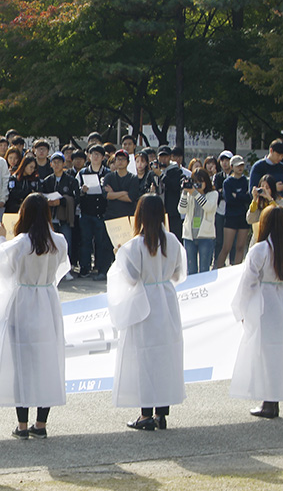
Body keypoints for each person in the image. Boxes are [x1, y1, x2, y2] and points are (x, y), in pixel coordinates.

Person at [0, 193, 70, 440]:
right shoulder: (59, 241)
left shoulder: (19, 243)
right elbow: (62, 268)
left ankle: (22, 425)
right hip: (47, 299)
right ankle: (40, 424)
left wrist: (1, 238)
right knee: (46, 361)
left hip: (22, 301)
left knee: (20, 362)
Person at [107, 194, 187, 431]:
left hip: (144, 303)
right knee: (165, 356)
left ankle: (146, 415)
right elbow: (178, 274)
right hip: (166, 300)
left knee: (144, 357)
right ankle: (162, 413)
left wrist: (117, 256)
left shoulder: (134, 246)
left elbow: (130, 278)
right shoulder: (171, 240)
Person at [231, 206, 283, 418]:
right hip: (282, 300)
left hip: (264, 302)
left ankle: (268, 403)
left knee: (265, 352)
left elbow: (248, 282)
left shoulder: (260, 249)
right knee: (280, 352)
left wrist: (241, 308)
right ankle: (274, 400)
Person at [76, 145, 112, 280]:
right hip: (86, 213)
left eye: (98, 155)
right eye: (93, 154)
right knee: (85, 242)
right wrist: (82, 191)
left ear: (103, 158)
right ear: (89, 156)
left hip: (102, 213)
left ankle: (102, 269)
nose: (95, 157)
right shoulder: (82, 173)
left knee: (101, 242)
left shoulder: (108, 173)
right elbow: (76, 192)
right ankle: (84, 268)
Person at [40, 152, 79, 277]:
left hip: (64, 217)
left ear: (63, 164)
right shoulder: (47, 180)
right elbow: (41, 195)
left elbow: (76, 198)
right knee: (50, 243)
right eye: (54, 162)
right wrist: (48, 202)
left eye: (59, 162)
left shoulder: (71, 180)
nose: (56, 165)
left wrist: (61, 201)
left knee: (65, 243)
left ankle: (66, 269)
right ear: (50, 164)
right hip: (50, 216)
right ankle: (51, 269)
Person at [178, 169, 218, 274]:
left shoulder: (213, 194)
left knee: (204, 270)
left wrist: (195, 193)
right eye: (195, 182)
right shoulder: (190, 193)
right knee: (191, 270)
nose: (198, 184)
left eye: (201, 181)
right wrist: (185, 192)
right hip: (189, 236)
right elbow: (181, 210)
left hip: (205, 236)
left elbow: (209, 207)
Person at [216, 155, 252, 267]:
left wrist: (237, 196)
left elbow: (249, 198)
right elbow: (229, 199)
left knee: (240, 246)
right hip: (231, 216)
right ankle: (219, 267)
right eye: (237, 166)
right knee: (226, 246)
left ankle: (237, 270)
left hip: (243, 216)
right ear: (232, 167)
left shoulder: (247, 181)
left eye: (241, 165)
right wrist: (241, 196)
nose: (240, 168)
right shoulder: (227, 182)